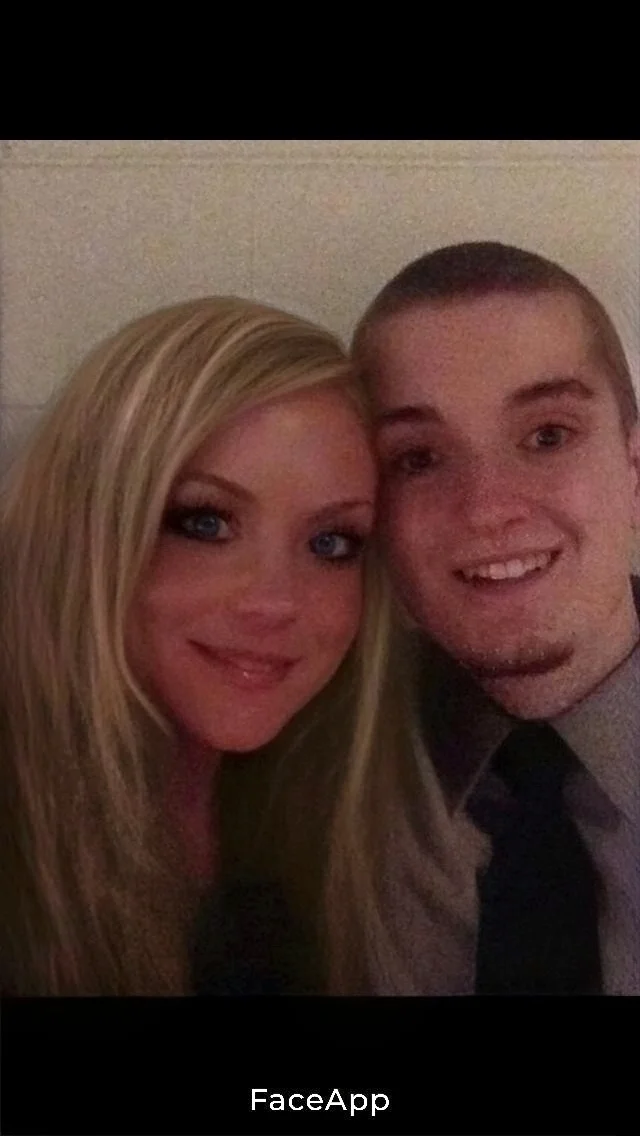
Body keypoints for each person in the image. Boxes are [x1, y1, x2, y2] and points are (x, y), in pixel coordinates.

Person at [0, 294, 458, 996]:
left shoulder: (334, 813)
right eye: (205, 523)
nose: (274, 602)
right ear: (89, 527)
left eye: (331, 543)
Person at [352, 240, 640, 995]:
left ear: (636, 471)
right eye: (419, 458)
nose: (486, 509)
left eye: (547, 436)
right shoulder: (299, 776)